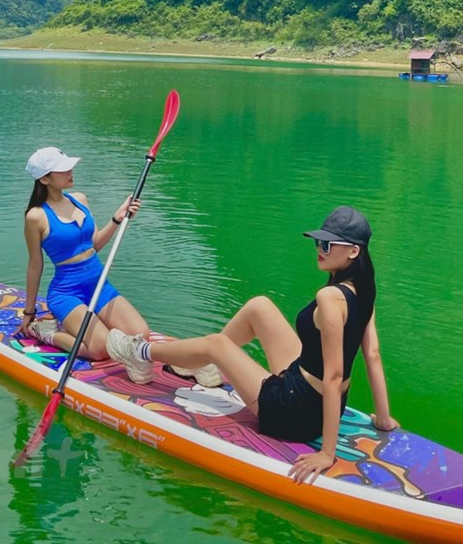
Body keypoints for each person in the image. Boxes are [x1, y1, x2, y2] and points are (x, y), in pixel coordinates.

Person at [107, 205, 399, 483]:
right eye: (317, 243)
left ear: (353, 251)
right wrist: (383, 419)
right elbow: (372, 355)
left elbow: (334, 377)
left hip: (292, 412)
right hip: (306, 387)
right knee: (260, 307)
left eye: (327, 245)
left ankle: (140, 352)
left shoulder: (330, 299)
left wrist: (327, 453)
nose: (319, 251)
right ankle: (201, 366)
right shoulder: (364, 290)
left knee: (217, 344)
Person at [19, 145, 218, 386]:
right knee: (100, 349)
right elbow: (35, 265)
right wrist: (29, 313)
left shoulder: (79, 199)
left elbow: (94, 246)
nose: (71, 171)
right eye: (63, 169)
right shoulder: (36, 216)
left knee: (140, 332)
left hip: (98, 284)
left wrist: (118, 218)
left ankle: (162, 354)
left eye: (70, 166)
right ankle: (48, 333)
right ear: (44, 178)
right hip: (66, 293)